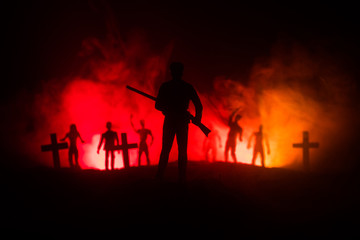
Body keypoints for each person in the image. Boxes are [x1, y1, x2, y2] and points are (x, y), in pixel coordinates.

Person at [155, 62, 203, 183]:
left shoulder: (166, 86)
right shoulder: (187, 87)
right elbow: (199, 106)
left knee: (167, 149)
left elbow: (158, 105)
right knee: (179, 150)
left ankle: (161, 177)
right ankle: (180, 178)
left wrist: (166, 108)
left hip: (172, 120)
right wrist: (197, 118)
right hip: (179, 121)